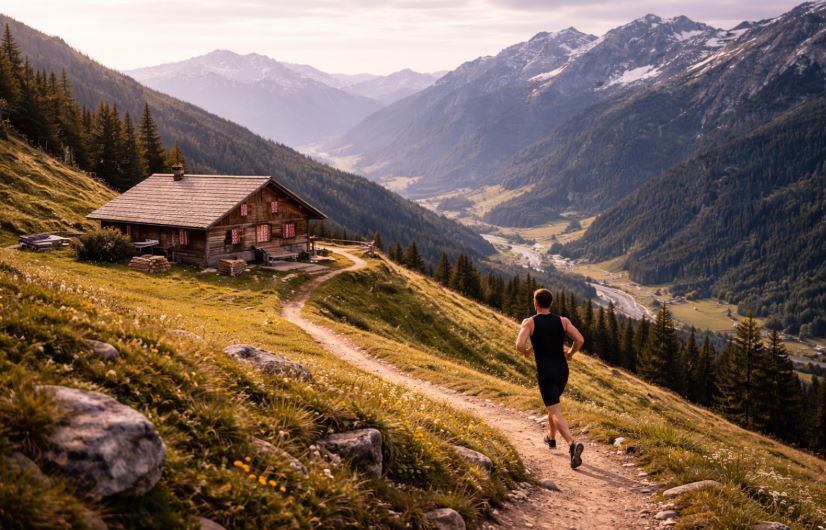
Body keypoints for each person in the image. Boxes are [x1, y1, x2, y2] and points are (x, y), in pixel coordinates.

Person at [516, 288, 586, 469]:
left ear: (535, 303)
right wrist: (570, 353)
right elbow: (579, 339)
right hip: (562, 371)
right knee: (553, 406)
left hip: (546, 372)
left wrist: (525, 352)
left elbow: (519, 344)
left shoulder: (530, 322)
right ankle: (551, 438)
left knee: (555, 410)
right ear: (550, 303)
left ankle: (572, 444)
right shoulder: (563, 321)